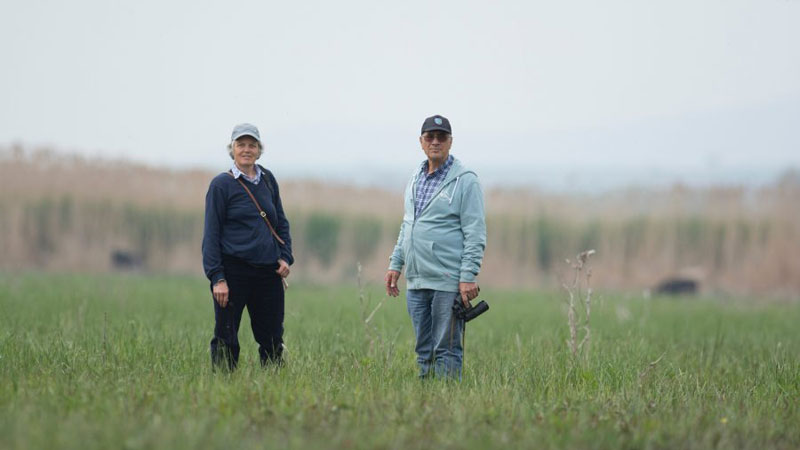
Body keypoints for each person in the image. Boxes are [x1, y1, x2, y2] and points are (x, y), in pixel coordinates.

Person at [385, 114, 487, 379]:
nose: (435, 142)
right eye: (430, 137)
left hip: (447, 280)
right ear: (421, 141)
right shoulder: (415, 178)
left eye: (442, 137)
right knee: (424, 350)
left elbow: (475, 232)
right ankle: (427, 398)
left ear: (450, 142)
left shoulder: (466, 181)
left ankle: (447, 398)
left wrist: (468, 276)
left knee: (447, 349)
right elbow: (408, 225)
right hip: (417, 279)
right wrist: (396, 263)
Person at [202, 123, 293, 370]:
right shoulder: (221, 185)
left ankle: (274, 383)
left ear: (259, 150)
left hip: (268, 273)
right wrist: (217, 278)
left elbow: (281, 223)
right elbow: (211, 235)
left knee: (272, 338)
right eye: (241, 145)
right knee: (226, 336)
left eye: (252, 145)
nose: (246, 150)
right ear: (232, 149)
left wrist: (285, 257)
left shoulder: (268, 180)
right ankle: (223, 385)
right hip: (233, 272)